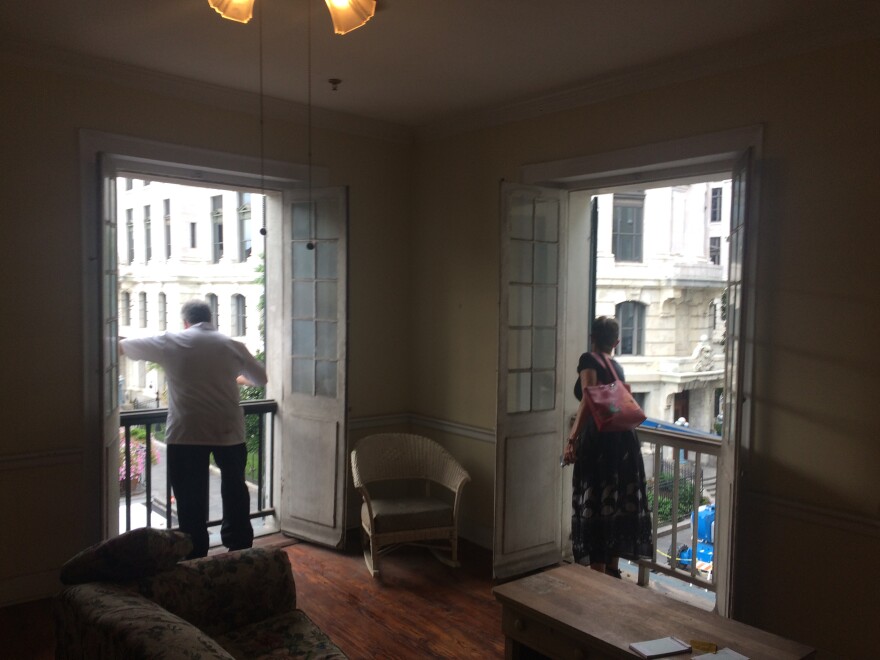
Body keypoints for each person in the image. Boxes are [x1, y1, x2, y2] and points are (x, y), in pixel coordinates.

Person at [119, 299, 268, 558]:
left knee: (189, 497)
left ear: (185, 322)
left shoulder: (171, 341)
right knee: (235, 490)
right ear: (211, 320)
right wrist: (230, 376)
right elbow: (261, 379)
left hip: (186, 432)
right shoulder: (232, 345)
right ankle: (239, 548)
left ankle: (195, 553)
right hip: (228, 430)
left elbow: (122, 347)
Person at [563, 316, 652, 578]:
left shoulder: (588, 360)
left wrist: (572, 438)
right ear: (615, 342)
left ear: (592, 338)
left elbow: (588, 397)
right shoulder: (617, 368)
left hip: (599, 444)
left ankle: (598, 575)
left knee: (595, 504)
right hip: (624, 444)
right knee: (613, 504)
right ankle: (611, 570)